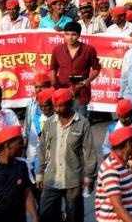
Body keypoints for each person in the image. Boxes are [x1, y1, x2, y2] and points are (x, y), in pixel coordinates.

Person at [38, 88, 97, 222]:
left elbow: (89, 152)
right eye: (55, 106)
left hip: (73, 181)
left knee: (74, 217)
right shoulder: (49, 123)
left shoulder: (83, 123)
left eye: (61, 106)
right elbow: (43, 149)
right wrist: (40, 173)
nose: (57, 109)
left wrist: (89, 177)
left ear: (70, 104)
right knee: (45, 215)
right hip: (51, 179)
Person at [50, 21, 100, 117]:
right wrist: (54, 81)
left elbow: (96, 69)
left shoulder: (89, 50)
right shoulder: (57, 50)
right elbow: (53, 68)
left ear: (79, 35)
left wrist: (87, 81)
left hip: (81, 92)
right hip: (63, 90)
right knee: (63, 119)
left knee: (81, 120)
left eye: (73, 34)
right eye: (67, 34)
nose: (70, 37)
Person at [94, 126, 132, 222]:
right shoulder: (111, 168)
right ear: (128, 144)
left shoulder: (124, 165)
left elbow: (128, 193)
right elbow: (117, 206)